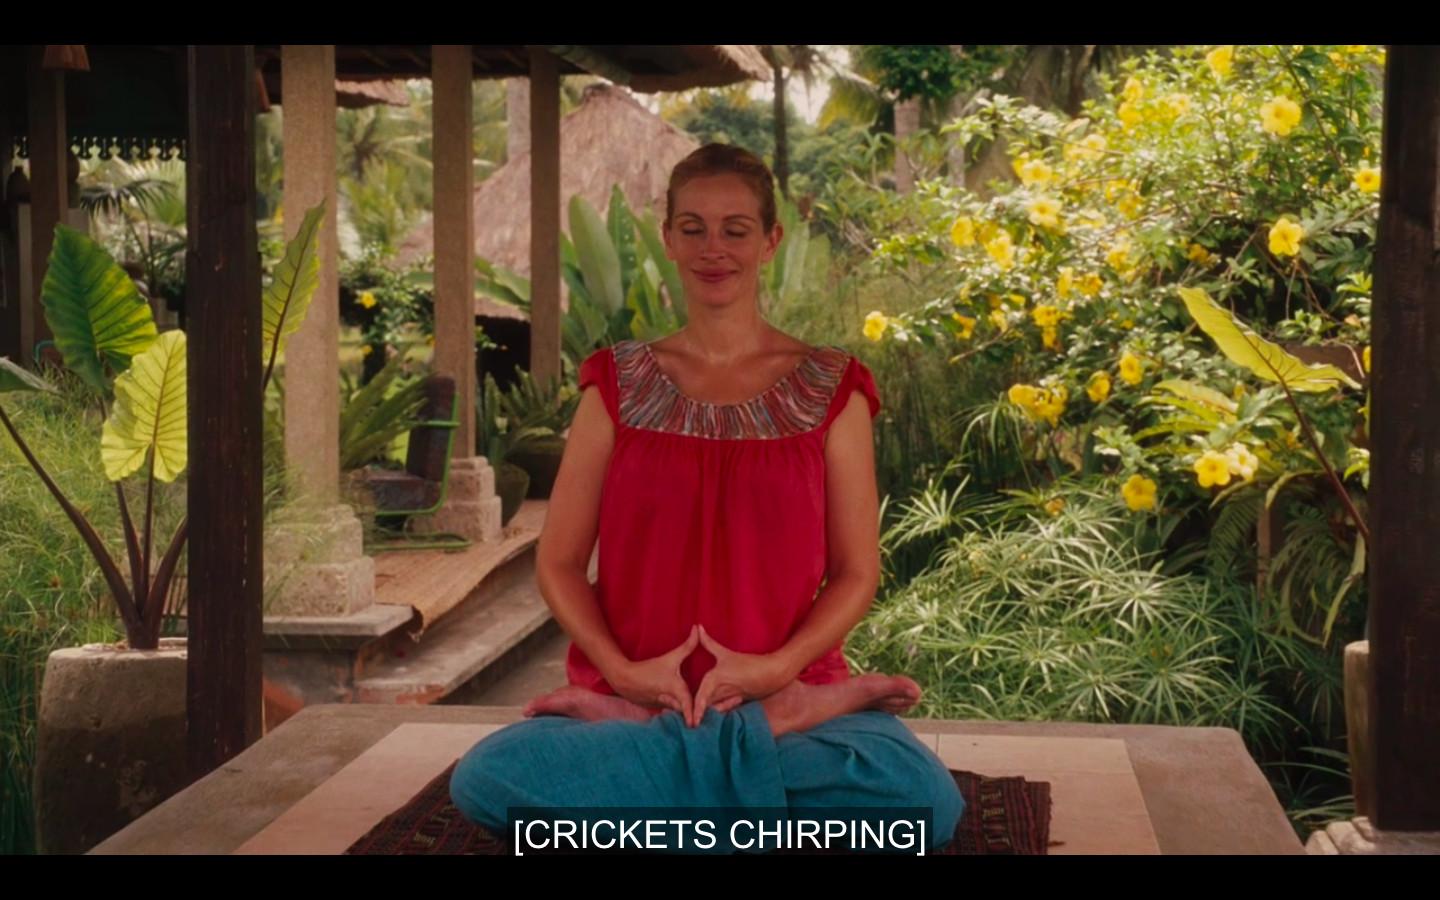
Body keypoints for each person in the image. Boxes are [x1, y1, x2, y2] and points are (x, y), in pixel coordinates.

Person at [450, 144, 964, 853]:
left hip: (790, 689)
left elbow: (855, 573)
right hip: (633, 694)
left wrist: (779, 672)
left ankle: (692, 762)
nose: (712, 248)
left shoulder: (833, 389)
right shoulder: (615, 386)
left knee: (922, 804)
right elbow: (560, 562)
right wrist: (623, 676)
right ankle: (743, 757)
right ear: (667, 238)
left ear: (770, 241)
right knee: (488, 778)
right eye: (692, 228)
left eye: (735, 229)